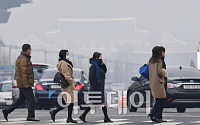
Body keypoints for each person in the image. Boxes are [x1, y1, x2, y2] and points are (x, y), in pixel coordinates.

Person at [2, 44, 39, 121]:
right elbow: (23, 72)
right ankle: (30, 116)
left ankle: (7, 111)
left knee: (21, 100)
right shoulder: (23, 59)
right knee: (31, 99)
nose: (31, 50)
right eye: (30, 49)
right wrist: (25, 83)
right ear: (27, 50)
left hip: (23, 82)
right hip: (24, 83)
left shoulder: (23, 58)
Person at [79, 52, 112, 123]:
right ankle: (83, 115)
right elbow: (91, 77)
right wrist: (93, 87)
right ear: (96, 58)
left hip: (100, 88)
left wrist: (103, 64)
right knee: (95, 103)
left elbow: (104, 71)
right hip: (95, 88)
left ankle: (105, 117)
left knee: (101, 103)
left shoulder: (99, 65)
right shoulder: (93, 66)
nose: (101, 58)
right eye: (100, 57)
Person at [49, 50, 78, 123]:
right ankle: (55, 112)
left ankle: (69, 118)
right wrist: (71, 81)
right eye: (67, 54)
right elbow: (66, 74)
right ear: (64, 55)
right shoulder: (64, 63)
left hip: (68, 84)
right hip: (67, 84)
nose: (68, 55)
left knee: (70, 102)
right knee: (67, 102)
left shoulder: (65, 62)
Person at [148, 46, 167, 123]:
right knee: (161, 99)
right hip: (159, 82)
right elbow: (160, 72)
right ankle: (155, 115)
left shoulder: (151, 60)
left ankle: (156, 115)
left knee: (158, 99)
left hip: (153, 82)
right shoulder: (159, 61)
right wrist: (165, 73)